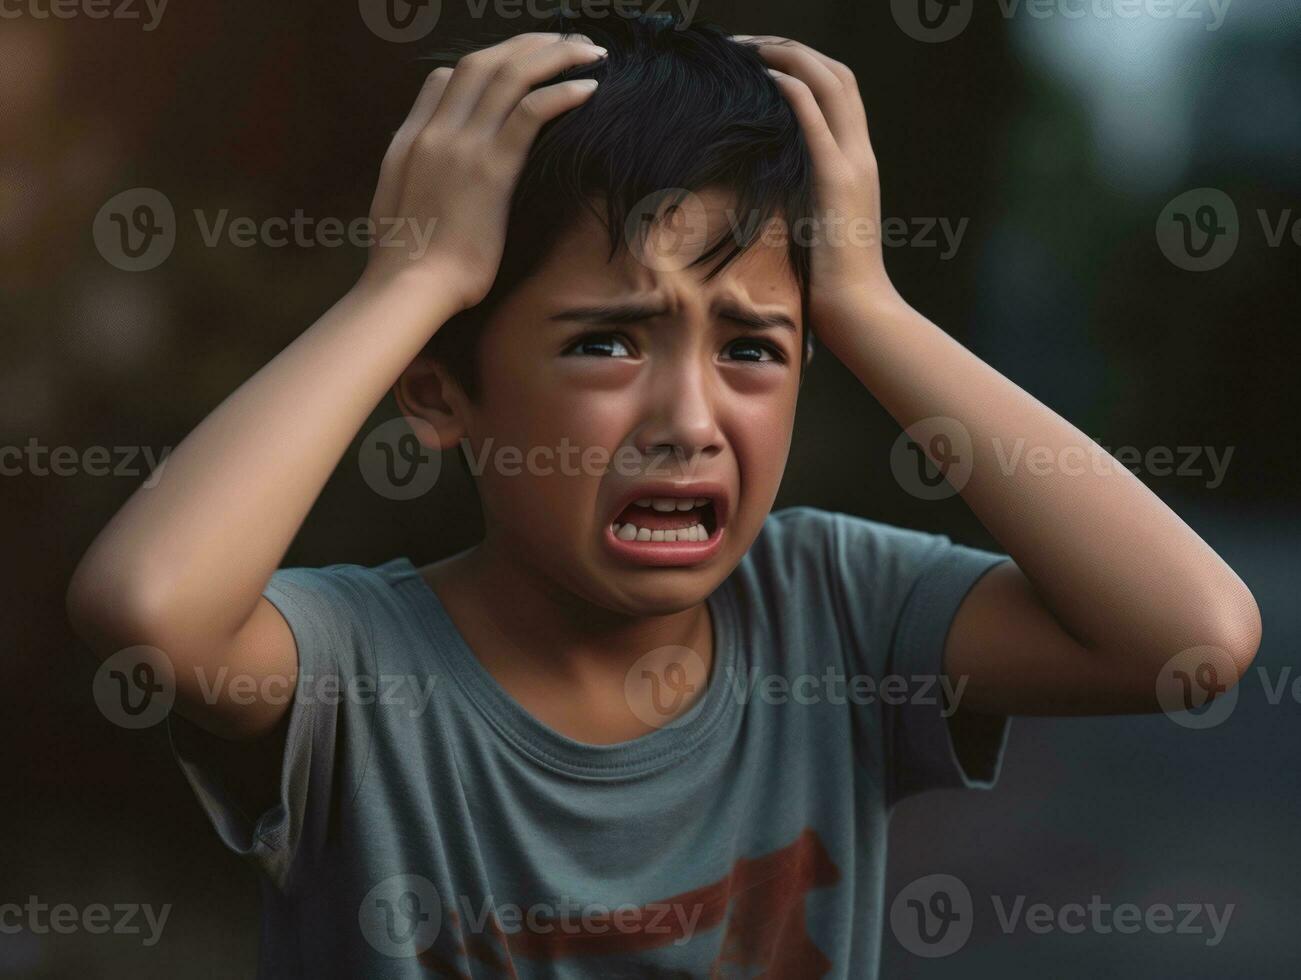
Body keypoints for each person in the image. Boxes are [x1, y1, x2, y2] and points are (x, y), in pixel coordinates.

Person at [66, 12, 1260, 978]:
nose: (688, 419)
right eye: (605, 343)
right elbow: (149, 609)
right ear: (438, 393)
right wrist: (411, 278)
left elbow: (1188, 639)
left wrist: (867, 305)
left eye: (751, 348)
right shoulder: (358, 669)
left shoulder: (834, 614)